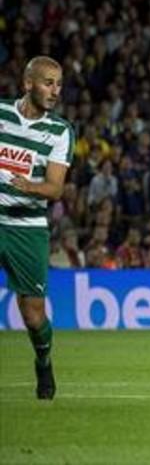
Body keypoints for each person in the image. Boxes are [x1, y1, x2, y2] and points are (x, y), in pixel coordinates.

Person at [0, 56, 74, 400]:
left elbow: (56, 187)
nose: (55, 91)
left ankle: (43, 362)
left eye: (58, 84)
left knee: (33, 315)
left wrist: (28, 186)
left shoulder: (60, 131)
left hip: (27, 227)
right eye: (48, 82)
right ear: (28, 83)